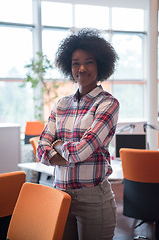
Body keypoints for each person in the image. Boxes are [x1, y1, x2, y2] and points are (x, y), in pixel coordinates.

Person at [37, 28, 119, 240]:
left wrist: (56, 145)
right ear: (69, 66)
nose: (81, 68)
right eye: (75, 63)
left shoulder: (107, 103)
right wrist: (61, 150)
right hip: (60, 194)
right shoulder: (61, 104)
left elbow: (81, 152)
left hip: (93, 198)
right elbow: (41, 150)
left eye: (89, 62)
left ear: (100, 64)